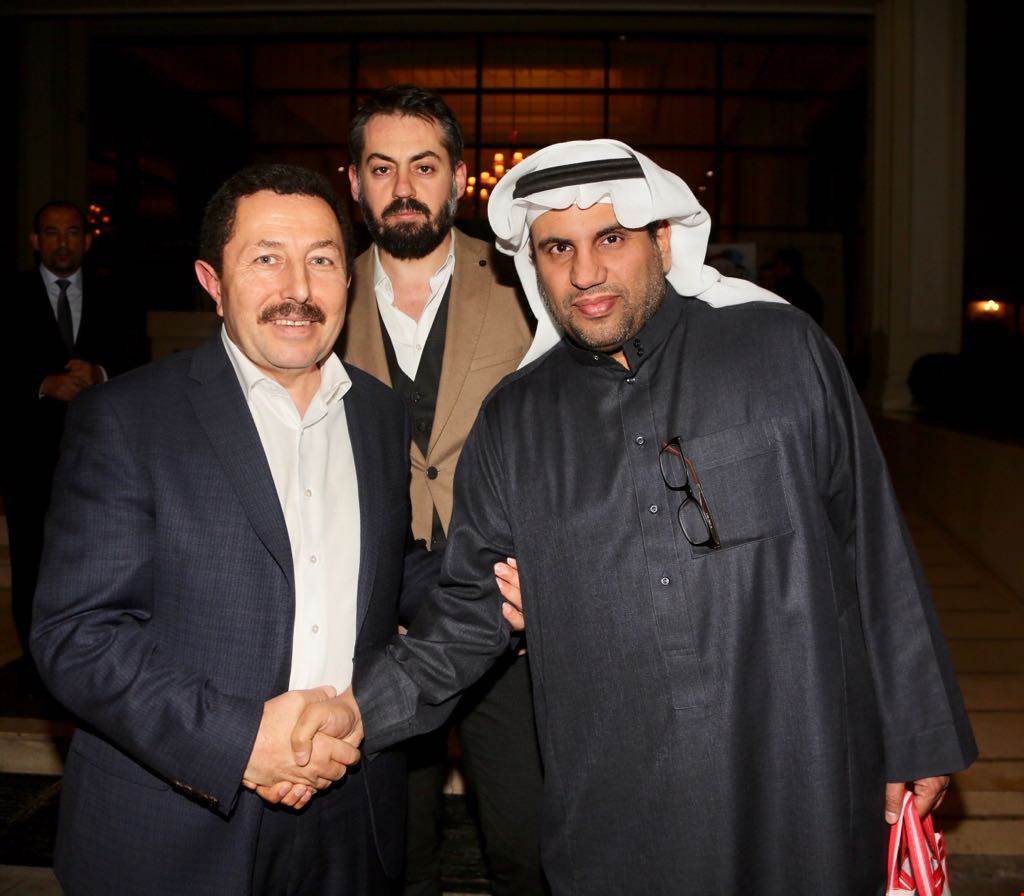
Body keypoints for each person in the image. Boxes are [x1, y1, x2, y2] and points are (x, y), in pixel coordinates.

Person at [299, 140, 978, 895]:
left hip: (798, 768)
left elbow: (871, 545)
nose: (585, 272)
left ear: (662, 241)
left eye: (611, 239)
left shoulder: (781, 349)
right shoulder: (515, 420)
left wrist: (918, 733)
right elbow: (466, 615)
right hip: (620, 803)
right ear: (533, 265)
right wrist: (355, 713)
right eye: (558, 248)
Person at [30, 164, 435, 895]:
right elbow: (77, 635)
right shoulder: (126, 419)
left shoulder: (378, 415)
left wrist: (503, 580)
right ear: (212, 282)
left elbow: (389, 564)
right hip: (180, 824)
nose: (298, 289)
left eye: (322, 260)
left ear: (349, 281)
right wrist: (241, 741)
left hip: (351, 816)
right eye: (266, 258)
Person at [337, 85, 544, 896]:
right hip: (374, 620)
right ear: (354, 182)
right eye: (381, 168)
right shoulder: (322, 292)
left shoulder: (527, 282)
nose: (403, 187)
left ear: (459, 178)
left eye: (424, 166)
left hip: (506, 613)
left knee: (527, 845)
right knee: (394, 852)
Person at [1, 201, 145, 657]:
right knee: (30, 562)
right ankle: (34, 666)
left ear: (86, 239)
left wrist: (99, 374)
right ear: (35, 241)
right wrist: (44, 384)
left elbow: (140, 361)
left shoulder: (119, 294)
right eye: (51, 232)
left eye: (71, 232)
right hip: (29, 457)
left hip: (101, 458)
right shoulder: (9, 295)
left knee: (99, 562)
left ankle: (86, 660)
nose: (62, 243)